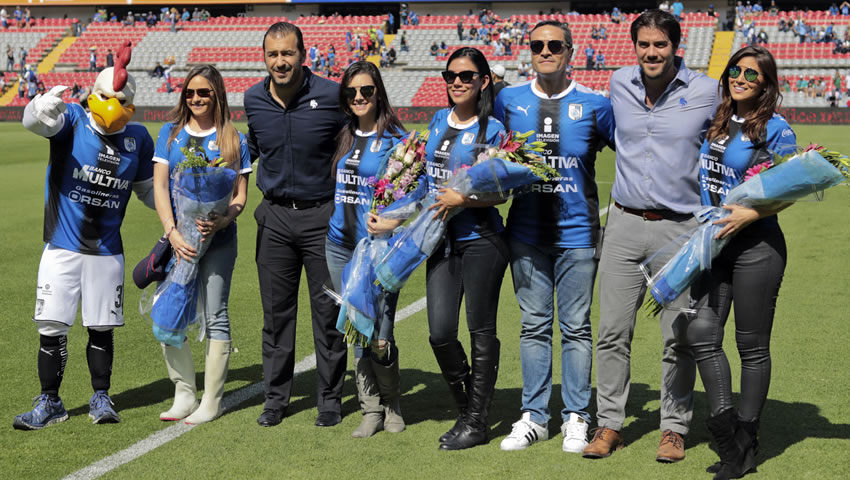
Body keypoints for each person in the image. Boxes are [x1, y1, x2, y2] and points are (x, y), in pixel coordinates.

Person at [583, 9, 719, 462]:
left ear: (675, 46)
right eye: (644, 44)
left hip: (679, 228)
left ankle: (673, 427)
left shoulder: (705, 91)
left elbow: (731, 140)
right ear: (634, 46)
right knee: (611, 331)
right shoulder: (619, 83)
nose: (652, 52)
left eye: (660, 44)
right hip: (622, 223)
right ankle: (609, 424)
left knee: (677, 334)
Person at [13, 49, 156, 430]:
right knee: (52, 326)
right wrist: (38, 107)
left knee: (101, 327)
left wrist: (183, 208)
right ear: (93, 94)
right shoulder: (74, 119)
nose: (114, 107)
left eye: (123, 101)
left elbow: (147, 192)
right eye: (108, 97)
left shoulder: (139, 139)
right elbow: (37, 123)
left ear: (133, 105)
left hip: (107, 251)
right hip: (61, 245)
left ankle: (101, 396)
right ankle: (50, 401)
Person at [494, 20, 615, 454]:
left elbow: (636, 155)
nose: (545, 51)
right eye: (537, 45)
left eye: (554, 45)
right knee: (533, 326)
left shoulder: (596, 105)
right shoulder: (508, 100)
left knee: (577, 328)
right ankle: (534, 416)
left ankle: (577, 416)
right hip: (524, 233)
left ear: (570, 50)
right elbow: (487, 152)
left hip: (579, 235)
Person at [689, 45, 795, 480]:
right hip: (713, 244)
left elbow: (792, 187)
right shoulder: (718, 119)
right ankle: (727, 430)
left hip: (757, 247)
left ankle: (745, 443)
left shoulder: (776, 128)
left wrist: (753, 213)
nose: (741, 79)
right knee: (701, 334)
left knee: (751, 346)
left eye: (752, 75)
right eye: (736, 70)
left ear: (766, 84)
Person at [245, 22, 347, 429]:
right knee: (276, 315)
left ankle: (330, 399)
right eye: (273, 54)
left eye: (288, 53)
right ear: (264, 57)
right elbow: (249, 150)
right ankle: (275, 399)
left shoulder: (331, 95)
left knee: (327, 315)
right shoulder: (253, 98)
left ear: (303, 55)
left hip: (322, 217)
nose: (280, 61)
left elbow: (353, 145)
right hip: (274, 219)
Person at [152, 64, 252, 425]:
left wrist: (225, 218)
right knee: (171, 308)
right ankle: (183, 393)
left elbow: (240, 194)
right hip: (181, 240)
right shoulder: (170, 133)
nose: (196, 98)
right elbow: (161, 186)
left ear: (217, 95)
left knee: (215, 312)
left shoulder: (233, 138)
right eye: (190, 92)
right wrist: (173, 231)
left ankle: (211, 400)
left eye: (204, 92)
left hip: (221, 239)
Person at [425, 47, 508, 451]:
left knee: (480, 330)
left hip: (481, 241)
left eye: (467, 75)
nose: (457, 82)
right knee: (440, 333)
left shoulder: (493, 129)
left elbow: (500, 193)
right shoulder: (438, 120)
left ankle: (476, 421)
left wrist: (464, 201)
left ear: (484, 80)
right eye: (451, 75)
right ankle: (469, 408)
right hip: (438, 240)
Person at [326, 61, 407, 438]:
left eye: (366, 90)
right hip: (340, 247)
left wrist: (393, 223)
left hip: (379, 250)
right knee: (356, 329)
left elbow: (418, 196)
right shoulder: (342, 135)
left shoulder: (396, 140)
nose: (359, 97)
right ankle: (371, 409)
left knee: (380, 332)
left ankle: (393, 404)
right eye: (352, 92)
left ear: (378, 93)